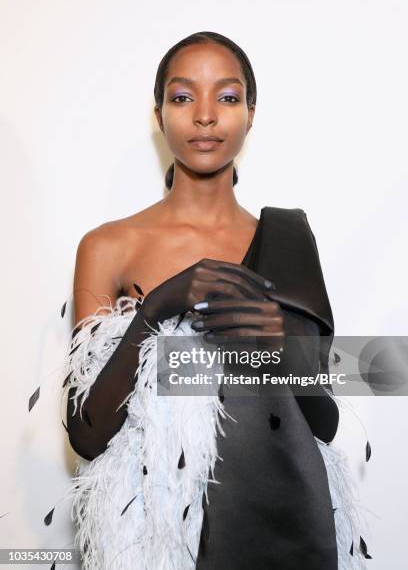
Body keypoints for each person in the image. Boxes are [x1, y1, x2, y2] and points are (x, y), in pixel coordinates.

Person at [64, 31, 363, 570]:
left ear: (250, 113)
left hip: (284, 527)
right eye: (183, 97)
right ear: (159, 115)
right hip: (156, 540)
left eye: (226, 97)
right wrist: (157, 307)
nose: (205, 116)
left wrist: (276, 352)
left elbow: (324, 425)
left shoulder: (290, 239)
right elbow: (86, 435)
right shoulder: (108, 246)